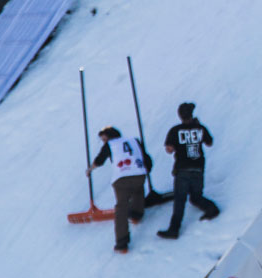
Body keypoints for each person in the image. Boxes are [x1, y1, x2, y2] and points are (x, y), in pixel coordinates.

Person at [157, 102, 222, 239]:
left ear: (180, 115)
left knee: (180, 199)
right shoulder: (200, 128)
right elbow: (209, 142)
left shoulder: (175, 130)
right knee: (196, 196)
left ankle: (174, 230)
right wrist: (197, 128)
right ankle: (211, 209)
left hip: (182, 169)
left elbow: (169, 150)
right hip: (198, 167)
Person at [90, 125, 152, 253]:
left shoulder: (110, 145)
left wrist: (90, 169)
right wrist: (146, 169)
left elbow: (100, 160)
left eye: (104, 139)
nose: (104, 142)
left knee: (121, 208)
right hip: (139, 173)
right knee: (138, 190)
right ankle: (137, 214)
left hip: (122, 177)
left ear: (109, 136)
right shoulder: (134, 140)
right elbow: (145, 157)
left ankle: (122, 242)